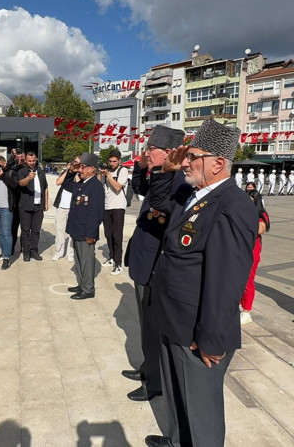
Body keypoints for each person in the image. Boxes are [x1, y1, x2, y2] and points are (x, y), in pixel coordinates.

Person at [143, 119, 257, 447]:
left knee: (201, 409)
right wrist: (168, 170)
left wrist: (211, 338)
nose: (187, 162)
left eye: (194, 156)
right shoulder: (195, 194)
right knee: (177, 393)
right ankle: (177, 440)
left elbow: (226, 281)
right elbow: (160, 203)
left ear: (218, 163)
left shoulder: (232, 206)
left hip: (196, 330)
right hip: (174, 317)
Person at [124, 125, 189, 404]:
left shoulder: (178, 183)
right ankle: (147, 367)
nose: (147, 153)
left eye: (152, 149)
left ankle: (154, 381)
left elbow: (164, 213)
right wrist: (141, 167)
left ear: (170, 153)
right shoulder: (162, 176)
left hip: (154, 262)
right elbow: (141, 189)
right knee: (145, 325)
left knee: (152, 328)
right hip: (143, 258)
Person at [66, 152, 105, 300]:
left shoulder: (95, 186)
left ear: (92, 169)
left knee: (87, 261)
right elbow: (66, 185)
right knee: (79, 260)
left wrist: (91, 233)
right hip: (76, 228)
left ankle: (88, 289)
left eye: (83, 167)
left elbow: (97, 213)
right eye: (80, 167)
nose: (80, 169)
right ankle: (82, 284)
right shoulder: (82, 184)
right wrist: (71, 170)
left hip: (86, 232)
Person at [240, 189, 270, 324]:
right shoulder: (241, 212)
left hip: (252, 250)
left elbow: (260, 229)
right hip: (239, 249)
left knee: (247, 280)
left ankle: (247, 311)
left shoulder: (261, 214)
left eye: (251, 199)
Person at [101, 150, 130, 275]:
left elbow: (118, 187)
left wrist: (108, 175)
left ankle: (118, 263)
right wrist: (101, 173)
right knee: (108, 235)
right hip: (106, 206)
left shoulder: (122, 171)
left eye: (114, 161)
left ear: (119, 161)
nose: (112, 163)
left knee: (117, 236)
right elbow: (100, 185)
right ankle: (112, 257)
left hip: (118, 206)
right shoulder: (107, 172)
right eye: (110, 161)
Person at [17, 152, 49, 261]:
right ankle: (26, 252)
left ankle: (34, 250)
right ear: (26, 161)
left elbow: (45, 188)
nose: (32, 162)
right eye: (29, 161)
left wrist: (46, 203)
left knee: (36, 230)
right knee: (25, 230)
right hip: (25, 205)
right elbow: (21, 183)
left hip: (38, 206)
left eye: (33, 160)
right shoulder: (22, 171)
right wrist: (29, 178)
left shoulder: (41, 172)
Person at [53, 156, 80, 262]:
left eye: (78, 163)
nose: (76, 165)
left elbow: (77, 185)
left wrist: (76, 171)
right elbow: (58, 182)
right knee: (59, 230)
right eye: (75, 162)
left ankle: (70, 253)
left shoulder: (80, 174)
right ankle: (59, 252)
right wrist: (68, 170)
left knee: (72, 232)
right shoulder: (67, 173)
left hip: (73, 207)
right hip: (62, 206)